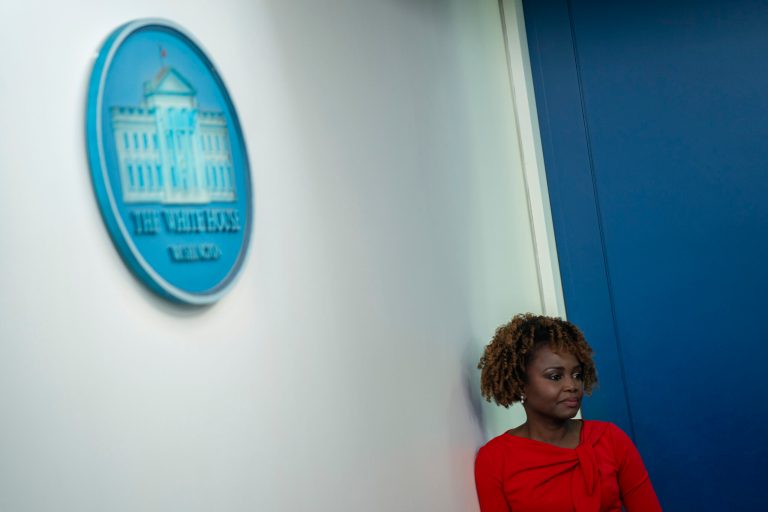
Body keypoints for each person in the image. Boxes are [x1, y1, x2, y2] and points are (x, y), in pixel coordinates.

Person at [474, 314, 661, 511]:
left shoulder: (610, 439)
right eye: (555, 376)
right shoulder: (495, 460)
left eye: (577, 375)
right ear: (521, 385)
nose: (572, 385)